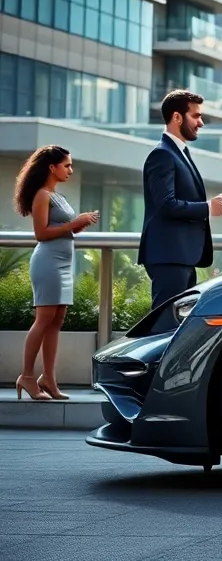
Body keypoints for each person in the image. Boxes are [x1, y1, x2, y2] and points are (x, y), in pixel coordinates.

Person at [12, 146, 99, 401]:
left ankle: (48, 378)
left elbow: (61, 228)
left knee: (57, 319)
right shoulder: (42, 195)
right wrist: (74, 222)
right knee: (44, 318)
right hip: (48, 262)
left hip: (63, 262)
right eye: (67, 165)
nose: (71, 170)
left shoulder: (57, 195)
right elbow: (41, 234)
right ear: (52, 167)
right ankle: (27, 377)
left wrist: (78, 226)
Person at [138, 90, 222, 309]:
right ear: (177, 117)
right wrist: (208, 207)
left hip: (182, 256)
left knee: (176, 323)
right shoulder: (162, 155)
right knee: (165, 324)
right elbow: (166, 204)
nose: (200, 123)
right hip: (169, 255)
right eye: (196, 116)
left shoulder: (179, 153)